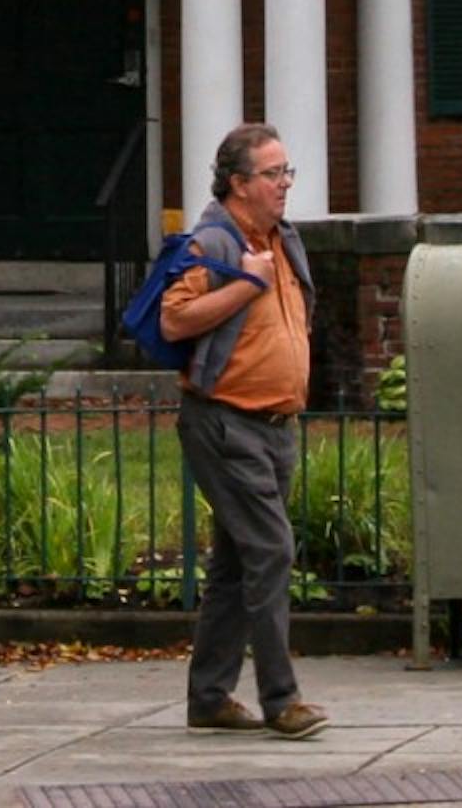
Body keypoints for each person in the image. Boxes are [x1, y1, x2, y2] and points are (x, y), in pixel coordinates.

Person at [156, 121, 325, 740]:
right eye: (273, 174)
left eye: (287, 173)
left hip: (275, 425)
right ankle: (283, 700)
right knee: (272, 550)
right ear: (238, 183)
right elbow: (176, 322)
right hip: (226, 422)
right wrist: (246, 283)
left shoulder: (282, 239)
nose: (284, 184)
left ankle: (209, 697)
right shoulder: (213, 245)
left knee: (234, 565)